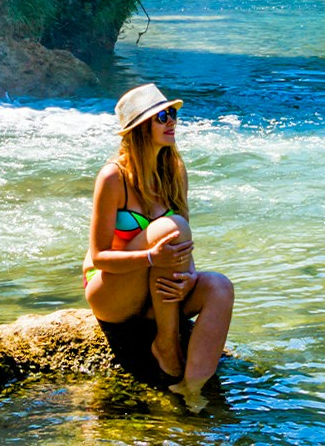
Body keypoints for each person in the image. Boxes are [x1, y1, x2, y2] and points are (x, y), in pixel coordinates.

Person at [84, 83, 234, 411]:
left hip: (156, 290)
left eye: (173, 114)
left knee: (220, 287)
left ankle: (192, 388)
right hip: (113, 290)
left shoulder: (174, 172)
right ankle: (166, 345)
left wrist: (190, 278)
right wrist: (151, 256)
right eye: (161, 116)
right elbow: (99, 257)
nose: (171, 122)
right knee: (170, 227)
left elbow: (183, 251)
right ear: (139, 129)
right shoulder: (113, 177)